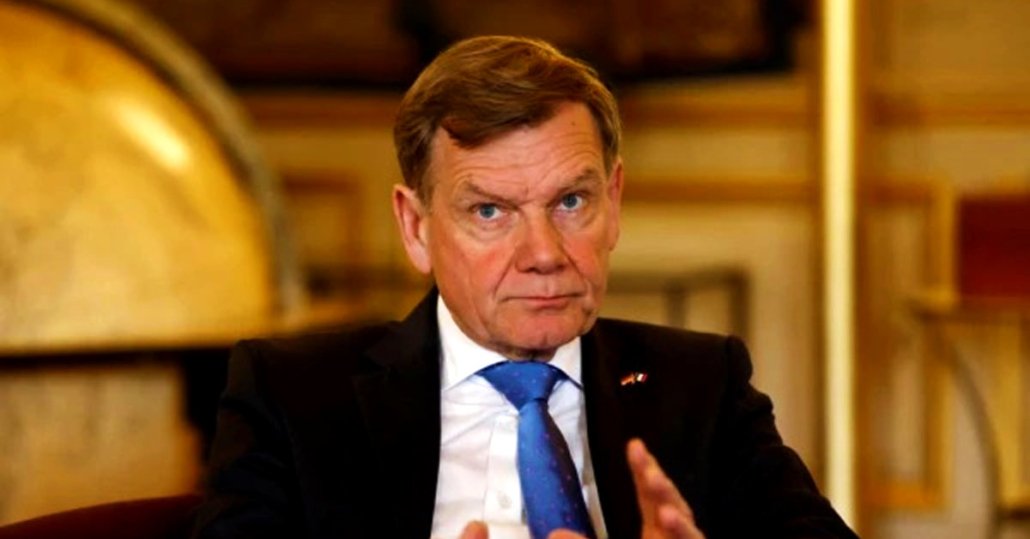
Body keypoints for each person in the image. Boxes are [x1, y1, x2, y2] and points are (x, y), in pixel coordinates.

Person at [192, 36, 858, 539]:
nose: (544, 254)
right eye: (490, 211)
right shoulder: (291, 396)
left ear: (614, 202)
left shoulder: (703, 386)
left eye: (571, 202)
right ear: (416, 227)